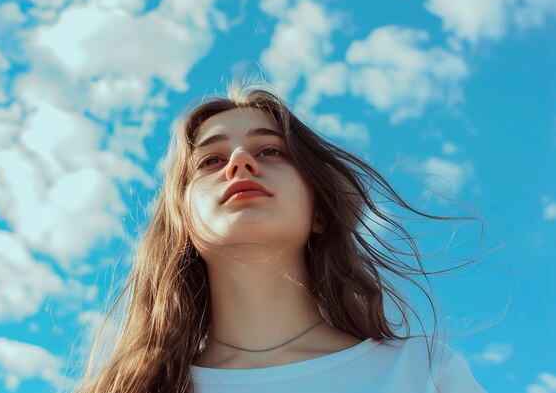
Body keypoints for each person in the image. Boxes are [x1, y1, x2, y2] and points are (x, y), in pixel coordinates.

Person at [73, 82, 488, 393]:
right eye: (210, 160)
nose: (239, 162)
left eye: (271, 151)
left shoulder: (423, 373)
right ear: (182, 222)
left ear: (320, 212)